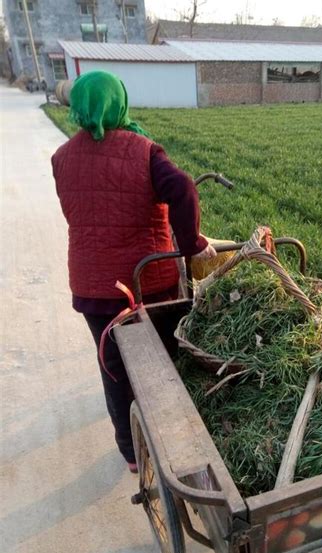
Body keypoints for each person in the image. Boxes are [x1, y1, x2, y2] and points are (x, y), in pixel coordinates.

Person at [51, 71, 215, 473]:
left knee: (114, 366)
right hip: (149, 284)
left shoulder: (61, 158)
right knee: (162, 361)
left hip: (94, 289)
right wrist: (192, 243)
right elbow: (183, 189)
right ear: (119, 103)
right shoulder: (143, 151)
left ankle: (130, 453)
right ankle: (174, 440)